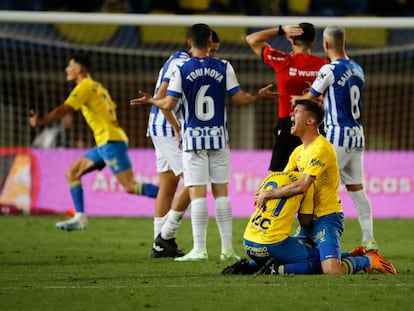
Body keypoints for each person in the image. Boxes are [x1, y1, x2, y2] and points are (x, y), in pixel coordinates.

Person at [131, 23, 279, 261]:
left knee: (193, 191)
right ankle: (224, 249)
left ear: (191, 42)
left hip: (190, 137)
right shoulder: (223, 66)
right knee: (220, 192)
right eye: (214, 48)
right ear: (209, 43)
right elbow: (239, 98)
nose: (215, 54)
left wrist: (152, 101)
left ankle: (188, 246)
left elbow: (167, 103)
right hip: (214, 136)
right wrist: (257, 96)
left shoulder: (182, 66)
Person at [253, 99, 397, 275]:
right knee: (291, 257)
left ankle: (369, 260)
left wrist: (269, 194)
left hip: (326, 218)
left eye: (296, 111)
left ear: (310, 121)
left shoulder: (321, 148)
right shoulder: (298, 152)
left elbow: (303, 185)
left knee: (332, 270)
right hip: (306, 221)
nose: (290, 114)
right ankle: (352, 254)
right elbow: (285, 179)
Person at [29, 53, 159, 231]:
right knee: (72, 173)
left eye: (70, 66)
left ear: (79, 69)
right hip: (106, 141)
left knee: (129, 186)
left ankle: (171, 198)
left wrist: (41, 121)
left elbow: (65, 109)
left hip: (110, 141)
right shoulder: (98, 87)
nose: (67, 69)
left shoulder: (84, 86)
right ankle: (80, 217)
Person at [291, 25, 378, 251]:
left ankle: (306, 234)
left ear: (326, 45)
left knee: (314, 184)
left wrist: (295, 99)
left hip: (338, 136)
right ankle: (369, 239)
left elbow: (310, 97)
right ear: (345, 43)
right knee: (357, 189)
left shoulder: (328, 70)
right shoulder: (358, 69)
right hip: (357, 136)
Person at [139, 30, 221, 258]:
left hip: (158, 126)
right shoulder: (183, 63)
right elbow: (164, 99)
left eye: (215, 52)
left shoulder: (176, 58)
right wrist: (176, 128)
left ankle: (160, 245)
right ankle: (165, 235)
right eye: (210, 50)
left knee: (168, 186)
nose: (211, 55)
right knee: (196, 181)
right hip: (168, 128)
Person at [246, 22, 329, 171]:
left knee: (276, 177)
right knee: (313, 178)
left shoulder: (283, 61)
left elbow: (252, 39)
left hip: (289, 125)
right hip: (315, 126)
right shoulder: (324, 64)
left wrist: (280, 30)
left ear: (291, 40)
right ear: (313, 43)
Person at [223, 171, 323, 275]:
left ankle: (246, 267)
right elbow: (305, 222)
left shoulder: (271, 176)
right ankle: (277, 270)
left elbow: (257, 197)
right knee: (319, 260)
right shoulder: (305, 183)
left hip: (249, 242)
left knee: (282, 256)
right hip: (273, 244)